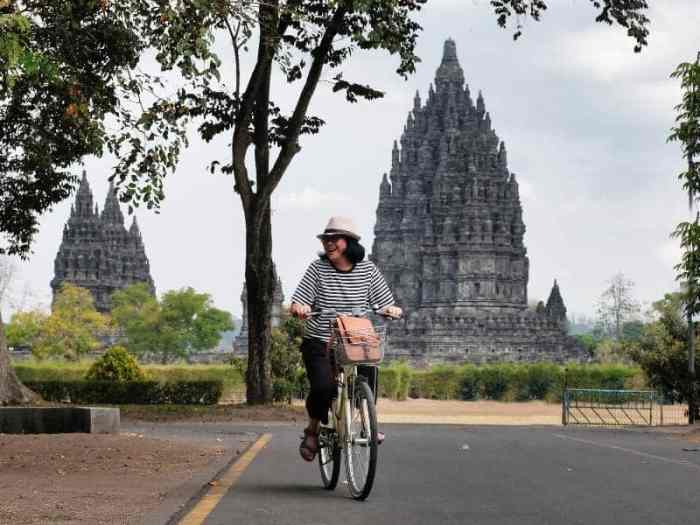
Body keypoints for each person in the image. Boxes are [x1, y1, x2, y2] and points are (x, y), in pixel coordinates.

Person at [290, 216, 402, 462]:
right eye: (326, 239)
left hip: (356, 337)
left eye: (334, 239)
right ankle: (312, 429)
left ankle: (367, 422)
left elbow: (384, 300)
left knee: (369, 372)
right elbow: (300, 299)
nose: (329, 244)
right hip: (321, 339)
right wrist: (300, 307)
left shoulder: (367, 269)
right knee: (323, 387)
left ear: (349, 243)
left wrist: (390, 309)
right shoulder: (317, 269)